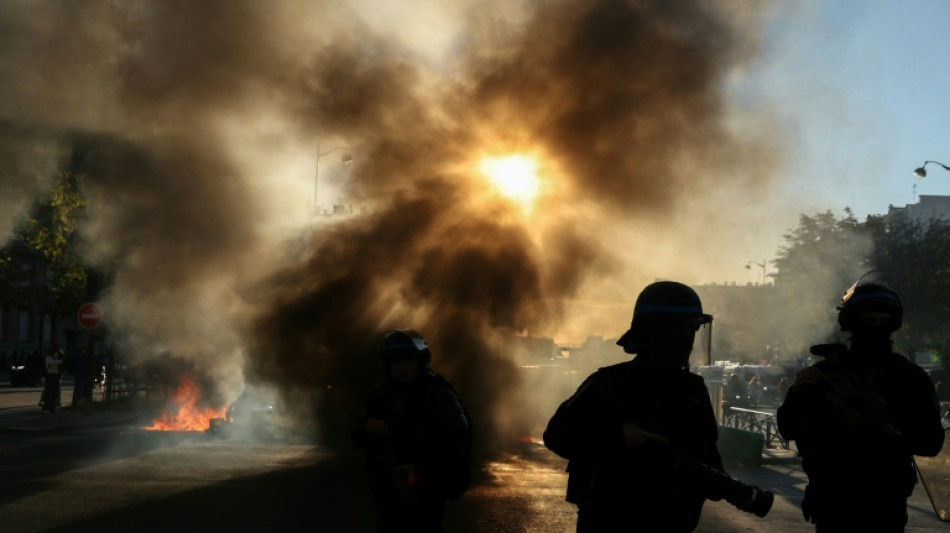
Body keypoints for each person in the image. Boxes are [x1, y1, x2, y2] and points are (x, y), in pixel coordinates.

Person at [544, 281, 773, 532]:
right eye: (680, 331)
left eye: (692, 331)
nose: (688, 340)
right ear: (655, 332)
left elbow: (707, 456)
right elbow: (556, 435)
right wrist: (619, 436)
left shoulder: (693, 390)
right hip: (611, 520)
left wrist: (729, 490)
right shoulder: (608, 384)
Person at [777, 282, 945, 532]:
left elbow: (931, 442)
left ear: (894, 323)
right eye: (869, 319)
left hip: (884, 504)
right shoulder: (824, 375)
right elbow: (787, 428)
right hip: (833, 501)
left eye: (883, 320)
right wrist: (800, 394)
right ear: (851, 322)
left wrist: (882, 429)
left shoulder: (910, 378)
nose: (876, 327)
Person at [352, 329, 473, 533]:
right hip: (387, 491)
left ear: (420, 362)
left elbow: (460, 441)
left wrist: (420, 467)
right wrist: (367, 425)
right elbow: (356, 439)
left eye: (408, 361)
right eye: (396, 362)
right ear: (388, 365)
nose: (402, 368)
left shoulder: (440, 396)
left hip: (426, 489)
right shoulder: (381, 396)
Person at [40, 344, 64, 413]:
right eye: (56, 353)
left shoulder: (56, 358)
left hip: (55, 376)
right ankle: (47, 407)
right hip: (50, 376)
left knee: (54, 393)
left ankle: (52, 407)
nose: (57, 354)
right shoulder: (48, 358)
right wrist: (61, 361)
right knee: (49, 393)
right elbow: (52, 363)